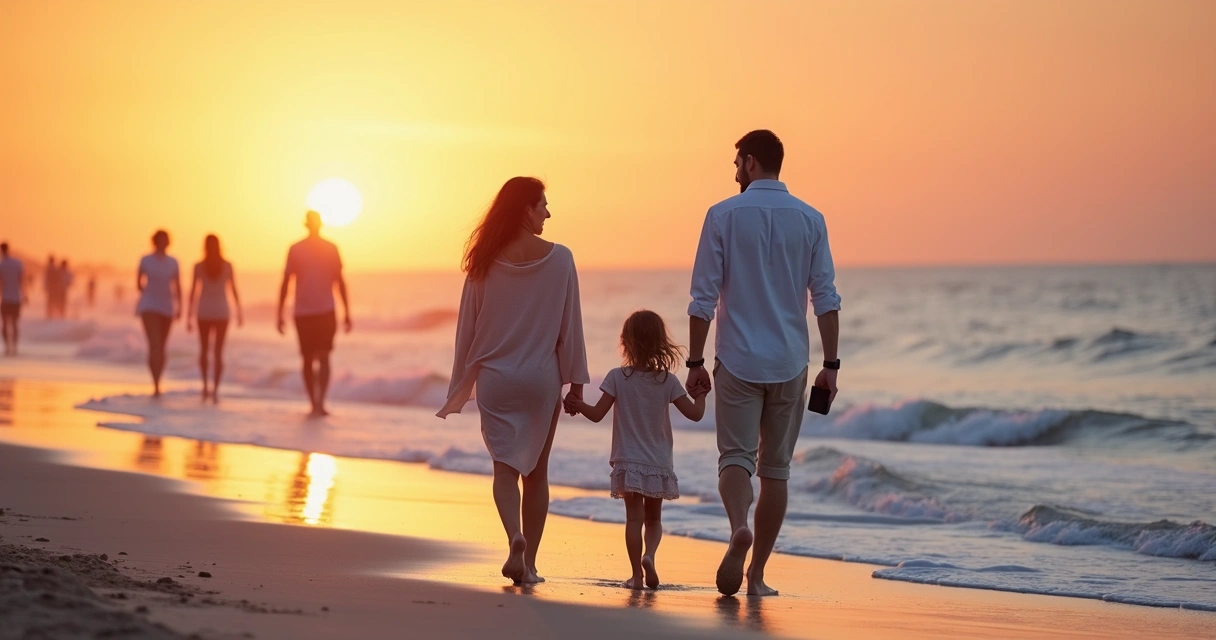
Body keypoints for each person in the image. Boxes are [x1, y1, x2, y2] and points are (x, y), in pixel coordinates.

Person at [686, 130, 841, 597]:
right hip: (790, 361)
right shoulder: (811, 219)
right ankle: (756, 576)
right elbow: (826, 298)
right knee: (776, 470)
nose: (735, 172)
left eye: (737, 163)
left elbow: (702, 299)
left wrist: (695, 361)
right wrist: (831, 364)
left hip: (737, 359)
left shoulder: (722, 215)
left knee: (735, 458)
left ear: (751, 162)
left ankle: (739, 526)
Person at [437, 177, 589, 585]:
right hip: (541, 380)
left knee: (504, 471)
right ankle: (531, 565)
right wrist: (576, 382)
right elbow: (570, 326)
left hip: (497, 380)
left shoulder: (483, 261)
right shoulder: (561, 258)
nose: (548, 213)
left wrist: (461, 383)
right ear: (525, 210)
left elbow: (467, 329)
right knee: (536, 473)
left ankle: (514, 539)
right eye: (543, 205)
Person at [564, 310, 706, 590]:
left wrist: (577, 404)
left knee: (633, 519)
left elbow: (596, 415)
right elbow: (695, 414)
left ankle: (636, 577)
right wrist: (700, 395)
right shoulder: (667, 380)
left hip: (628, 460)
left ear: (626, 342)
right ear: (660, 342)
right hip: (658, 461)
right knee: (654, 520)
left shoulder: (617, 377)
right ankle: (649, 555)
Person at [277, 211, 351, 417]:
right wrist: (279, 312)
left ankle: (320, 402)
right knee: (309, 359)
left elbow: (339, 280)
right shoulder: (296, 249)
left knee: (324, 357)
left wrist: (347, 312)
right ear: (309, 225)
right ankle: (314, 403)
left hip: (326, 310)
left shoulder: (331, 248)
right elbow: (286, 281)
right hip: (304, 312)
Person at [187, 234, 243, 403]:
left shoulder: (199, 266)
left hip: (205, 311)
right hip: (220, 312)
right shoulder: (226, 265)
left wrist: (189, 315)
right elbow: (234, 289)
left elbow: (193, 292)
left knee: (205, 350)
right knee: (218, 352)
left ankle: (206, 387)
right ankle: (215, 390)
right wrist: (239, 311)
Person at [135, 230, 182, 397]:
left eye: (166, 239)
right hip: (149, 306)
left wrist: (180, 306)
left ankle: (159, 379)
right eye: (161, 239)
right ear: (155, 241)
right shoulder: (146, 260)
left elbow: (178, 285)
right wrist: (148, 295)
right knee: (154, 344)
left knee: (162, 346)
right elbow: (138, 283)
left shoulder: (173, 262)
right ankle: (155, 384)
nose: (164, 242)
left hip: (167, 306)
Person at [0, 243, 26, 356]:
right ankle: (14, 347)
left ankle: (7, 347)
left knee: (5, 324)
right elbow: (22, 281)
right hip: (16, 298)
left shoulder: (1, 264)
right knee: (15, 324)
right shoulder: (17, 263)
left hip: (5, 298)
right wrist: (24, 295)